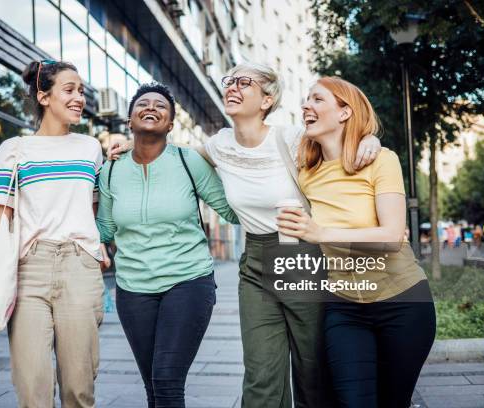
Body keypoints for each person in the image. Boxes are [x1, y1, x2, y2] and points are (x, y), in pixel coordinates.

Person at [109, 62, 382, 407]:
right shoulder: (219, 145)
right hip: (255, 262)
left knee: (312, 371)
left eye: (244, 83)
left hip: (303, 257)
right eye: (230, 81)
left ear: (267, 99)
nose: (232, 88)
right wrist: (126, 143)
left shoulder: (292, 138)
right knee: (260, 375)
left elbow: (344, 142)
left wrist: (368, 138)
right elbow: (164, 155)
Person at [277, 76, 436, 408]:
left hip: (403, 301)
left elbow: (392, 236)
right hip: (344, 306)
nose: (306, 105)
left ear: (345, 112)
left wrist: (321, 234)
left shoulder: (382, 160)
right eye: (305, 99)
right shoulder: (305, 171)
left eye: (317, 99)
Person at [0, 60, 108, 408]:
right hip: (29, 269)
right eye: (69, 90)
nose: (78, 98)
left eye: (81, 91)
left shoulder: (90, 149)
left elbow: (95, 208)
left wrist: (99, 245)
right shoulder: (15, 149)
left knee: (78, 389)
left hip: (79, 266)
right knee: (32, 389)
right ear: (43, 96)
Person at [96, 82, 239, 408]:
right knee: (153, 385)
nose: (151, 108)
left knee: (166, 379)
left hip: (187, 281)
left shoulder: (189, 161)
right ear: (129, 121)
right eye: (142, 104)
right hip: (133, 290)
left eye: (160, 106)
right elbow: (104, 228)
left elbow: (229, 209)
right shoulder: (111, 170)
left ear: (171, 124)